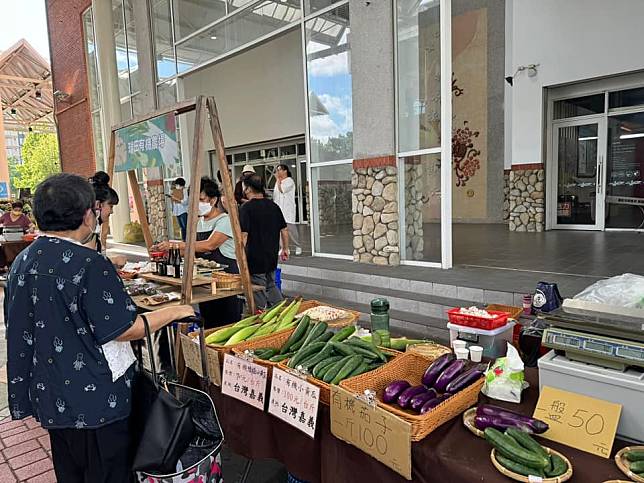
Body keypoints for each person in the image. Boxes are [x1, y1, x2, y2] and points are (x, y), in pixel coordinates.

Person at [5, 173, 194, 483]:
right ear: (86, 215)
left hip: (51, 395)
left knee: (71, 471)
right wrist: (175, 311)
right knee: (109, 472)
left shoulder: (23, 261)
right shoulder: (89, 263)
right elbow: (125, 328)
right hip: (96, 399)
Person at [154, 177, 242, 327]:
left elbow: (209, 245)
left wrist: (178, 245)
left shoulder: (225, 220)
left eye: (202, 200)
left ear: (213, 200)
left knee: (227, 325)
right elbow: (192, 251)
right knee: (208, 324)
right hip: (204, 283)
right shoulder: (198, 222)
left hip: (225, 284)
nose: (198, 205)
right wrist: (166, 253)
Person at [239, 174, 289, 309]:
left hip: (254, 258)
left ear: (248, 189)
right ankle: (281, 311)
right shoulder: (273, 206)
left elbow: (243, 235)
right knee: (271, 284)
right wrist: (285, 249)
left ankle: (258, 317)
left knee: (258, 288)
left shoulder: (246, 208)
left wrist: (239, 256)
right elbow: (284, 230)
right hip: (271, 256)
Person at [273, 164, 302, 255]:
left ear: (285, 171)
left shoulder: (289, 181)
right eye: (277, 170)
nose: (277, 172)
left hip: (288, 209)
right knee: (280, 229)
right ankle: (284, 248)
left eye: (279, 170)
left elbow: (282, 190)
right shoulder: (277, 182)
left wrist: (278, 179)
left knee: (291, 229)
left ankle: (298, 245)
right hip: (279, 209)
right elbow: (275, 195)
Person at [88, 171, 119, 255]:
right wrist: (113, 261)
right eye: (111, 206)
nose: (111, 211)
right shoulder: (86, 232)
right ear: (98, 204)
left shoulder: (92, 229)